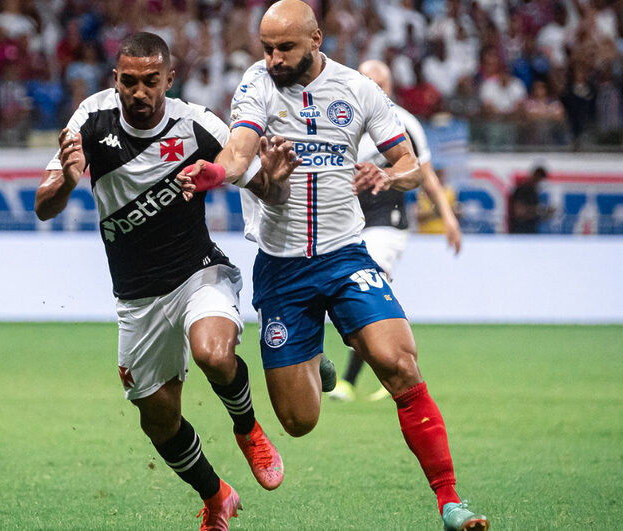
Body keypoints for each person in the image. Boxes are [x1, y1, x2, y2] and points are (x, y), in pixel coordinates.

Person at [179, 2, 489, 530]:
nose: (274, 59)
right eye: (267, 48)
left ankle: (450, 502)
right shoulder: (256, 85)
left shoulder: (360, 90)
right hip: (282, 269)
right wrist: (214, 173)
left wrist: (390, 178)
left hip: (347, 256)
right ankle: (317, 362)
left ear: (317, 39)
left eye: (286, 48)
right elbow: (238, 150)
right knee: (299, 422)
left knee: (399, 364)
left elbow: (411, 165)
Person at [35, 32, 299, 531]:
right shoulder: (90, 120)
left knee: (214, 355)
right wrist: (68, 181)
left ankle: (248, 430)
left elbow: (262, 186)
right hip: (138, 298)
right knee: (159, 420)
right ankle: (217, 494)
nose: (139, 92)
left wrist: (274, 176)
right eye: (128, 81)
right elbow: (43, 207)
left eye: (150, 81)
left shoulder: (199, 125)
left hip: (199, 271)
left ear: (168, 80)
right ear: (116, 79)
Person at [329, 59, 462, 403]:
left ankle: (348, 381)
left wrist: (447, 216)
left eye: (379, 83)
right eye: (366, 81)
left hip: (386, 223)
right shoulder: (339, 120)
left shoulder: (403, 122)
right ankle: (398, 361)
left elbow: (425, 172)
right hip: (345, 223)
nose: (372, 88)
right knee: (357, 296)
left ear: (388, 87)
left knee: (367, 285)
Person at [508, 165, 553, 233]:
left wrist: (544, 213)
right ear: (535, 176)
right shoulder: (522, 190)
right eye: (540, 180)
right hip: (520, 233)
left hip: (530, 232)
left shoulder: (534, 191)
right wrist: (540, 211)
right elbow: (519, 212)